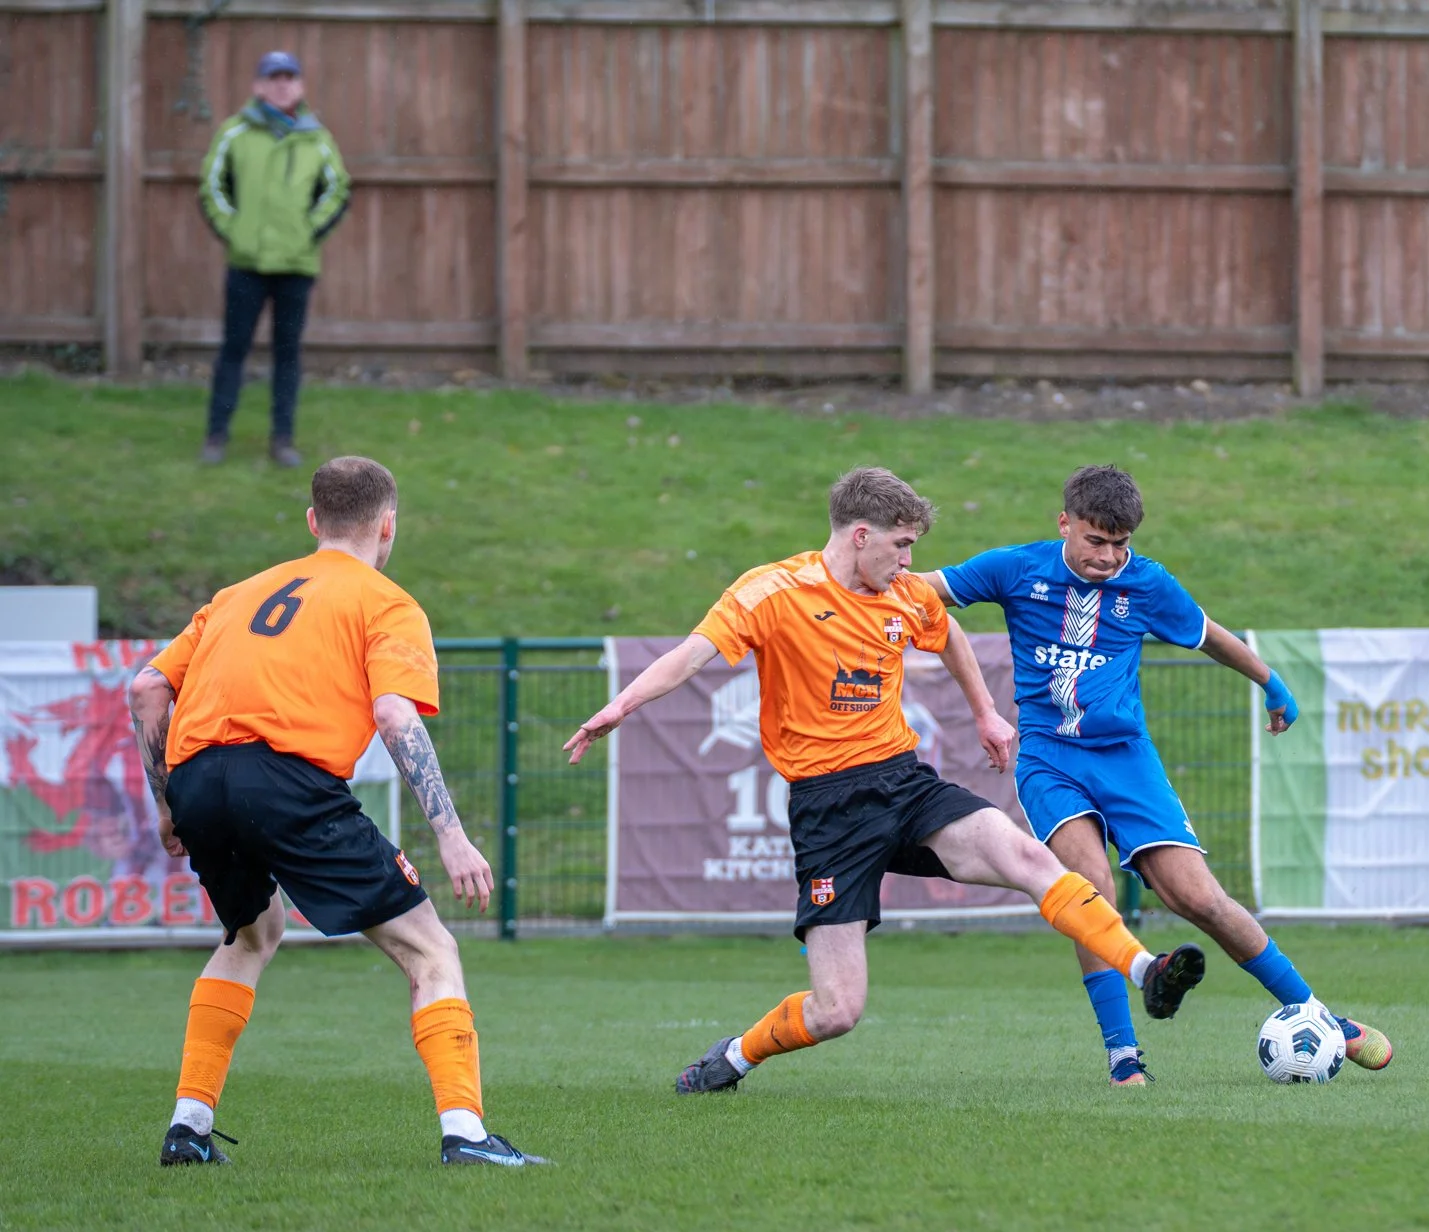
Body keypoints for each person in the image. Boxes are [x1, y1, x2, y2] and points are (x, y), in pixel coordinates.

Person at [563, 467, 1209, 1094]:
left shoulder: (902, 592)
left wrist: (985, 711)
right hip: (829, 811)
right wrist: (621, 706)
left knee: (1025, 854)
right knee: (836, 1009)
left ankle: (1145, 967)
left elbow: (949, 630)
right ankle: (733, 1057)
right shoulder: (773, 591)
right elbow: (690, 654)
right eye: (901, 546)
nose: (908, 564)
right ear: (861, 535)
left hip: (903, 784)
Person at [128, 456, 541, 1167]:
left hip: (198, 777)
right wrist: (452, 834)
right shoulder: (385, 601)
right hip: (286, 779)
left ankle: (188, 1125)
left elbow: (145, 689)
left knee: (252, 931)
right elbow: (394, 714)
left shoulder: (235, 595)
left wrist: (168, 803)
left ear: (314, 521)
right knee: (429, 948)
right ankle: (468, 1135)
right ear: (387, 525)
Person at [921, 466, 1391, 1085]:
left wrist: (1270, 681)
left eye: (1121, 544)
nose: (1109, 557)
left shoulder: (1146, 583)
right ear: (1065, 524)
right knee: (1090, 892)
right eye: (1096, 541)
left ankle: (1318, 1014)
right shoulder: (1015, 568)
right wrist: (834, 583)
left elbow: (1209, 636)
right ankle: (1124, 1058)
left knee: (1199, 898)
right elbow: (917, 588)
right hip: (1049, 759)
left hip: (1128, 760)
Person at [196, 50, 351, 469]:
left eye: (289, 77)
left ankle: (283, 440)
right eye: (273, 77)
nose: (282, 84)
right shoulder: (234, 133)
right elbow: (212, 187)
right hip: (246, 265)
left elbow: (337, 191)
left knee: (287, 355)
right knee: (234, 350)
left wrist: (307, 232)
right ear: (258, 86)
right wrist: (235, 231)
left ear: (300, 86)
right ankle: (216, 436)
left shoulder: (318, 139)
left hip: (296, 268)